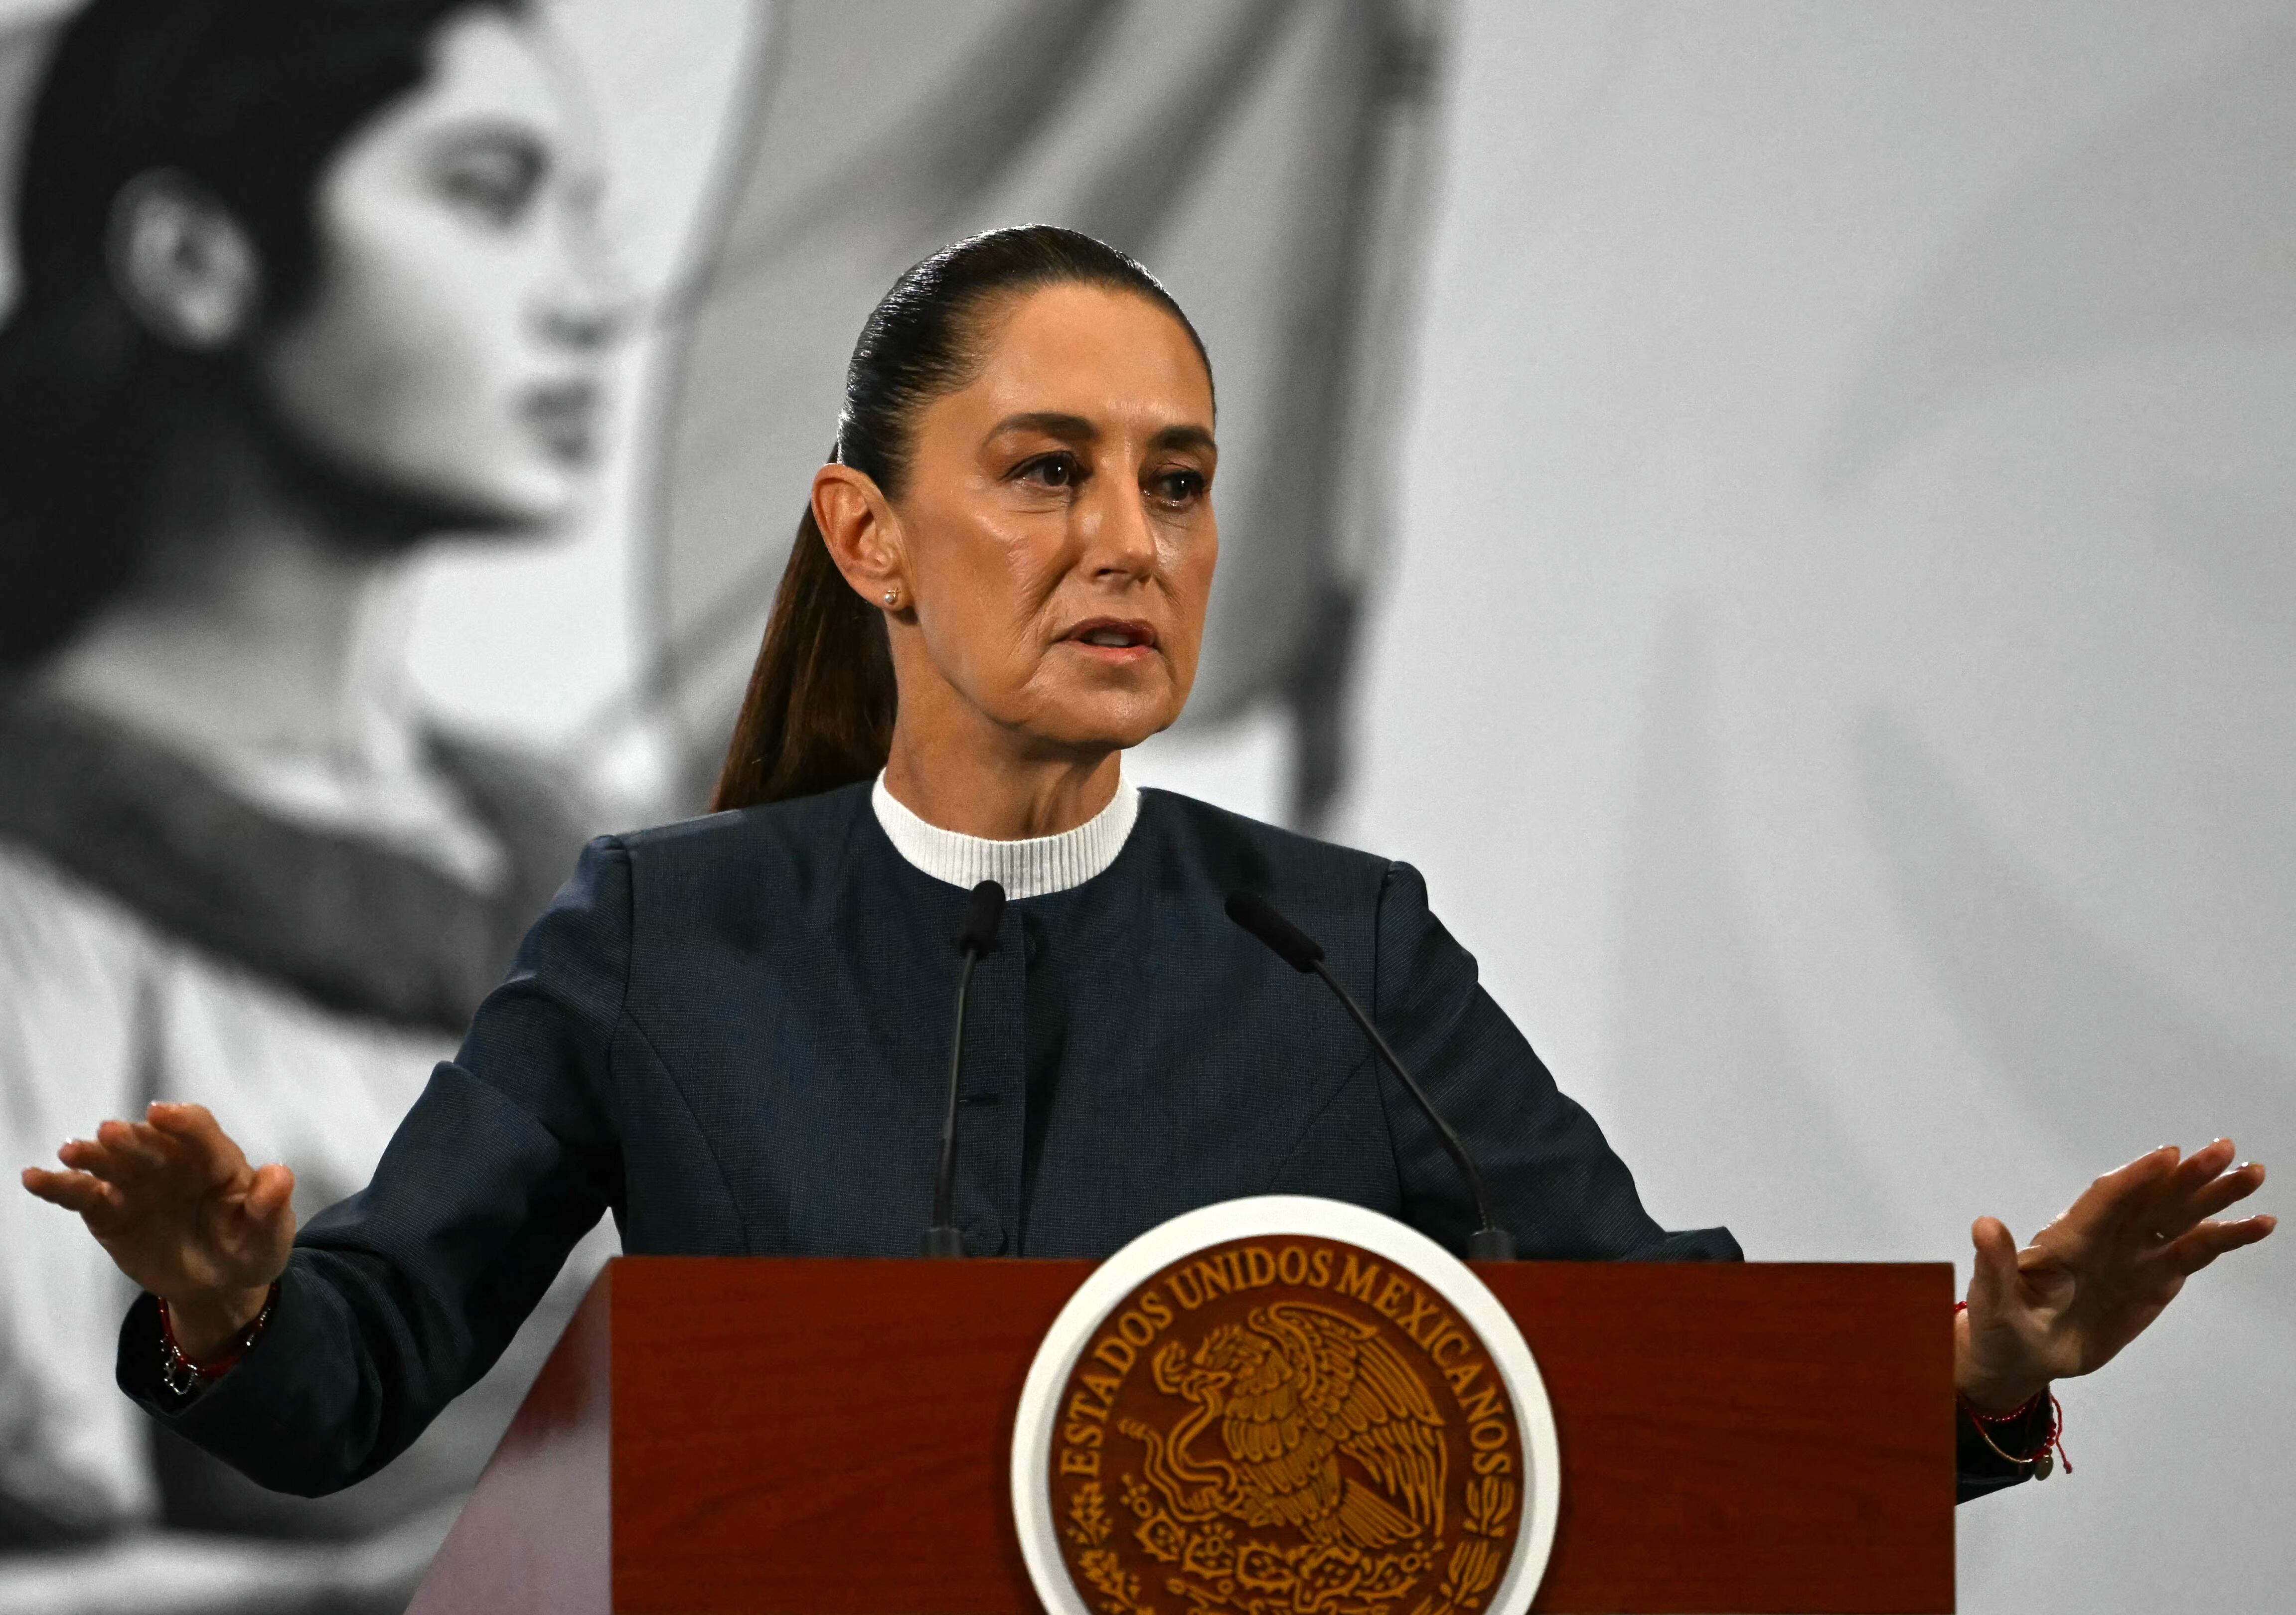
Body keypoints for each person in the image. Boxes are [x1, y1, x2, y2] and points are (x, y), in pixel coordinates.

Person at [20, 226, 2274, 1513]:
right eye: (1047, 471)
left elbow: (1652, 1349)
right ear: (868, 538)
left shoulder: (1342, 939)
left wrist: (1968, 1366)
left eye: (1179, 483)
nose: (1132, 543)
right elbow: (364, 1370)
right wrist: (229, 1308)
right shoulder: (660, 933)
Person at [0, 0, 626, 1575]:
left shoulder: (580, 850)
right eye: (487, 195)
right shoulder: (32, 872)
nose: (596, 301)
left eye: (586, 217)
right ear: (195, 259)